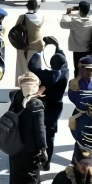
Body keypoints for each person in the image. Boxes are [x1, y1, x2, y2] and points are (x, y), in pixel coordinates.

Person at [8, 72, 46, 184]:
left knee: (17, 174)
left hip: (14, 146)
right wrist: (43, 150)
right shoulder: (36, 105)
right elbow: (40, 131)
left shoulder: (15, 96)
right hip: (30, 150)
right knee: (29, 178)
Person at [29, 37, 68, 169]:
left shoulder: (46, 75)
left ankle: (39, 157)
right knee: (50, 135)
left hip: (45, 106)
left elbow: (32, 65)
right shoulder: (65, 73)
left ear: (50, 63)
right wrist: (58, 46)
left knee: (39, 132)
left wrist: (40, 51)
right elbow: (64, 61)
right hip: (57, 106)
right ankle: (47, 163)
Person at [60, 1, 92, 75]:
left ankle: (77, 83)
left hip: (77, 50)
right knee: (87, 69)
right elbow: (82, 16)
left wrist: (66, 14)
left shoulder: (75, 22)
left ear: (79, 10)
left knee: (77, 69)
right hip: (88, 49)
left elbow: (62, 24)